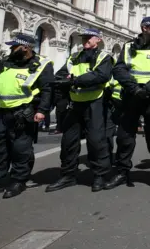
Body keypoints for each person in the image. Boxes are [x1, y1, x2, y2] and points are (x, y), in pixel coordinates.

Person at [0, 33, 54, 199]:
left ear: (25, 47)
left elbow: (47, 90)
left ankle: (18, 180)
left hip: (23, 113)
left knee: (21, 149)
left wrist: (42, 110)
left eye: (14, 46)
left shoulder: (41, 64)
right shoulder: (4, 63)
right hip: (0, 112)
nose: (10, 49)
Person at [105, 17, 150, 190]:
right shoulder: (128, 46)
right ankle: (121, 172)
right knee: (124, 137)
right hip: (131, 96)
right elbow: (119, 69)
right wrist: (134, 88)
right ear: (144, 28)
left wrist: (148, 89)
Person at [46, 28, 113, 193]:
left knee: (96, 141)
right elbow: (61, 75)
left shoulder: (104, 57)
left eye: (89, 38)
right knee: (68, 142)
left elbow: (100, 77)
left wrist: (75, 80)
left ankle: (99, 176)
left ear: (98, 39)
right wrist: (67, 81)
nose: (85, 41)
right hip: (75, 104)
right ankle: (68, 175)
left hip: (95, 103)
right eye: (83, 38)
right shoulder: (74, 57)